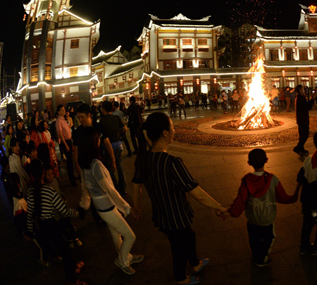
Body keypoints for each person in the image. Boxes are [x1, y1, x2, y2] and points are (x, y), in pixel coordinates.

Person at [135, 112, 226, 285]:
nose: (174, 130)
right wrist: (219, 207)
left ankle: (195, 263)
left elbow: (135, 186)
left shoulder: (143, 160)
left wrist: (137, 207)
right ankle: (180, 278)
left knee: (188, 237)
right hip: (175, 215)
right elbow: (196, 193)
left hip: (161, 214)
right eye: (172, 127)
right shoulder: (172, 163)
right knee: (179, 247)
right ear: (165, 133)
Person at [78, 126, 143, 275]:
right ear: (93, 143)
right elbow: (110, 190)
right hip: (107, 206)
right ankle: (122, 260)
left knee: (116, 234)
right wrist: (128, 208)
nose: (99, 141)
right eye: (97, 139)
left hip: (100, 207)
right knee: (130, 236)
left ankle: (126, 257)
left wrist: (85, 203)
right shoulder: (96, 165)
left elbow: (85, 186)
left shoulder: (85, 163)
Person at [220, 149, 299, 267]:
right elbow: (282, 197)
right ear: (266, 160)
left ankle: (256, 255)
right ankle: (262, 259)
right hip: (267, 220)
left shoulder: (246, 180)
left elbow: (241, 200)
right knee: (269, 238)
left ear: (249, 163)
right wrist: (294, 197)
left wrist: (230, 212)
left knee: (254, 239)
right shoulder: (273, 179)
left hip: (252, 219)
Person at [26, 159, 86, 285]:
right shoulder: (49, 191)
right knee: (64, 250)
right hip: (51, 224)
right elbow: (64, 211)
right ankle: (72, 279)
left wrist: (30, 230)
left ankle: (74, 265)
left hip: (41, 227)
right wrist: (78, 213)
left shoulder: (30, 192)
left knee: (61, 249)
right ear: (43, 173)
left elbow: (30, 215)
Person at [100, 101, 127, 195]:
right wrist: (118, 133)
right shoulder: (116, 118)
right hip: (118, 145)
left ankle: (115, 188)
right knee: (120, 167)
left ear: (103, 109)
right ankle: (123, 188)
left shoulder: (102, 121)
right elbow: (125, 128)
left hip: (108, 147)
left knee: (110, 167)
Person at [55, 105, 77, 185]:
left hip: (69, 141)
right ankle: (71, 179)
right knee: (69, 161)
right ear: (58, 111)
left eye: (64, 109)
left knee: (71, 160)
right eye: (62, 110)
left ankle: (72, 176)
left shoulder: (64, 120)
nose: (64, 111)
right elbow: (60, 134)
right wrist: (66, 145)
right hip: (65, 142)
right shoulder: (59, 121)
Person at [293, 85, 315, 157]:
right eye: (302, 89)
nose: (304, 90)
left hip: (300, 119)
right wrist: (311, 100)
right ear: (300, 90)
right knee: (305, 135)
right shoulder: (301, 98)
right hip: (303, 119)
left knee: (301, 135)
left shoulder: (297, 97)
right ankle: (298, 147)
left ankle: (301, 148)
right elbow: (307, 107)